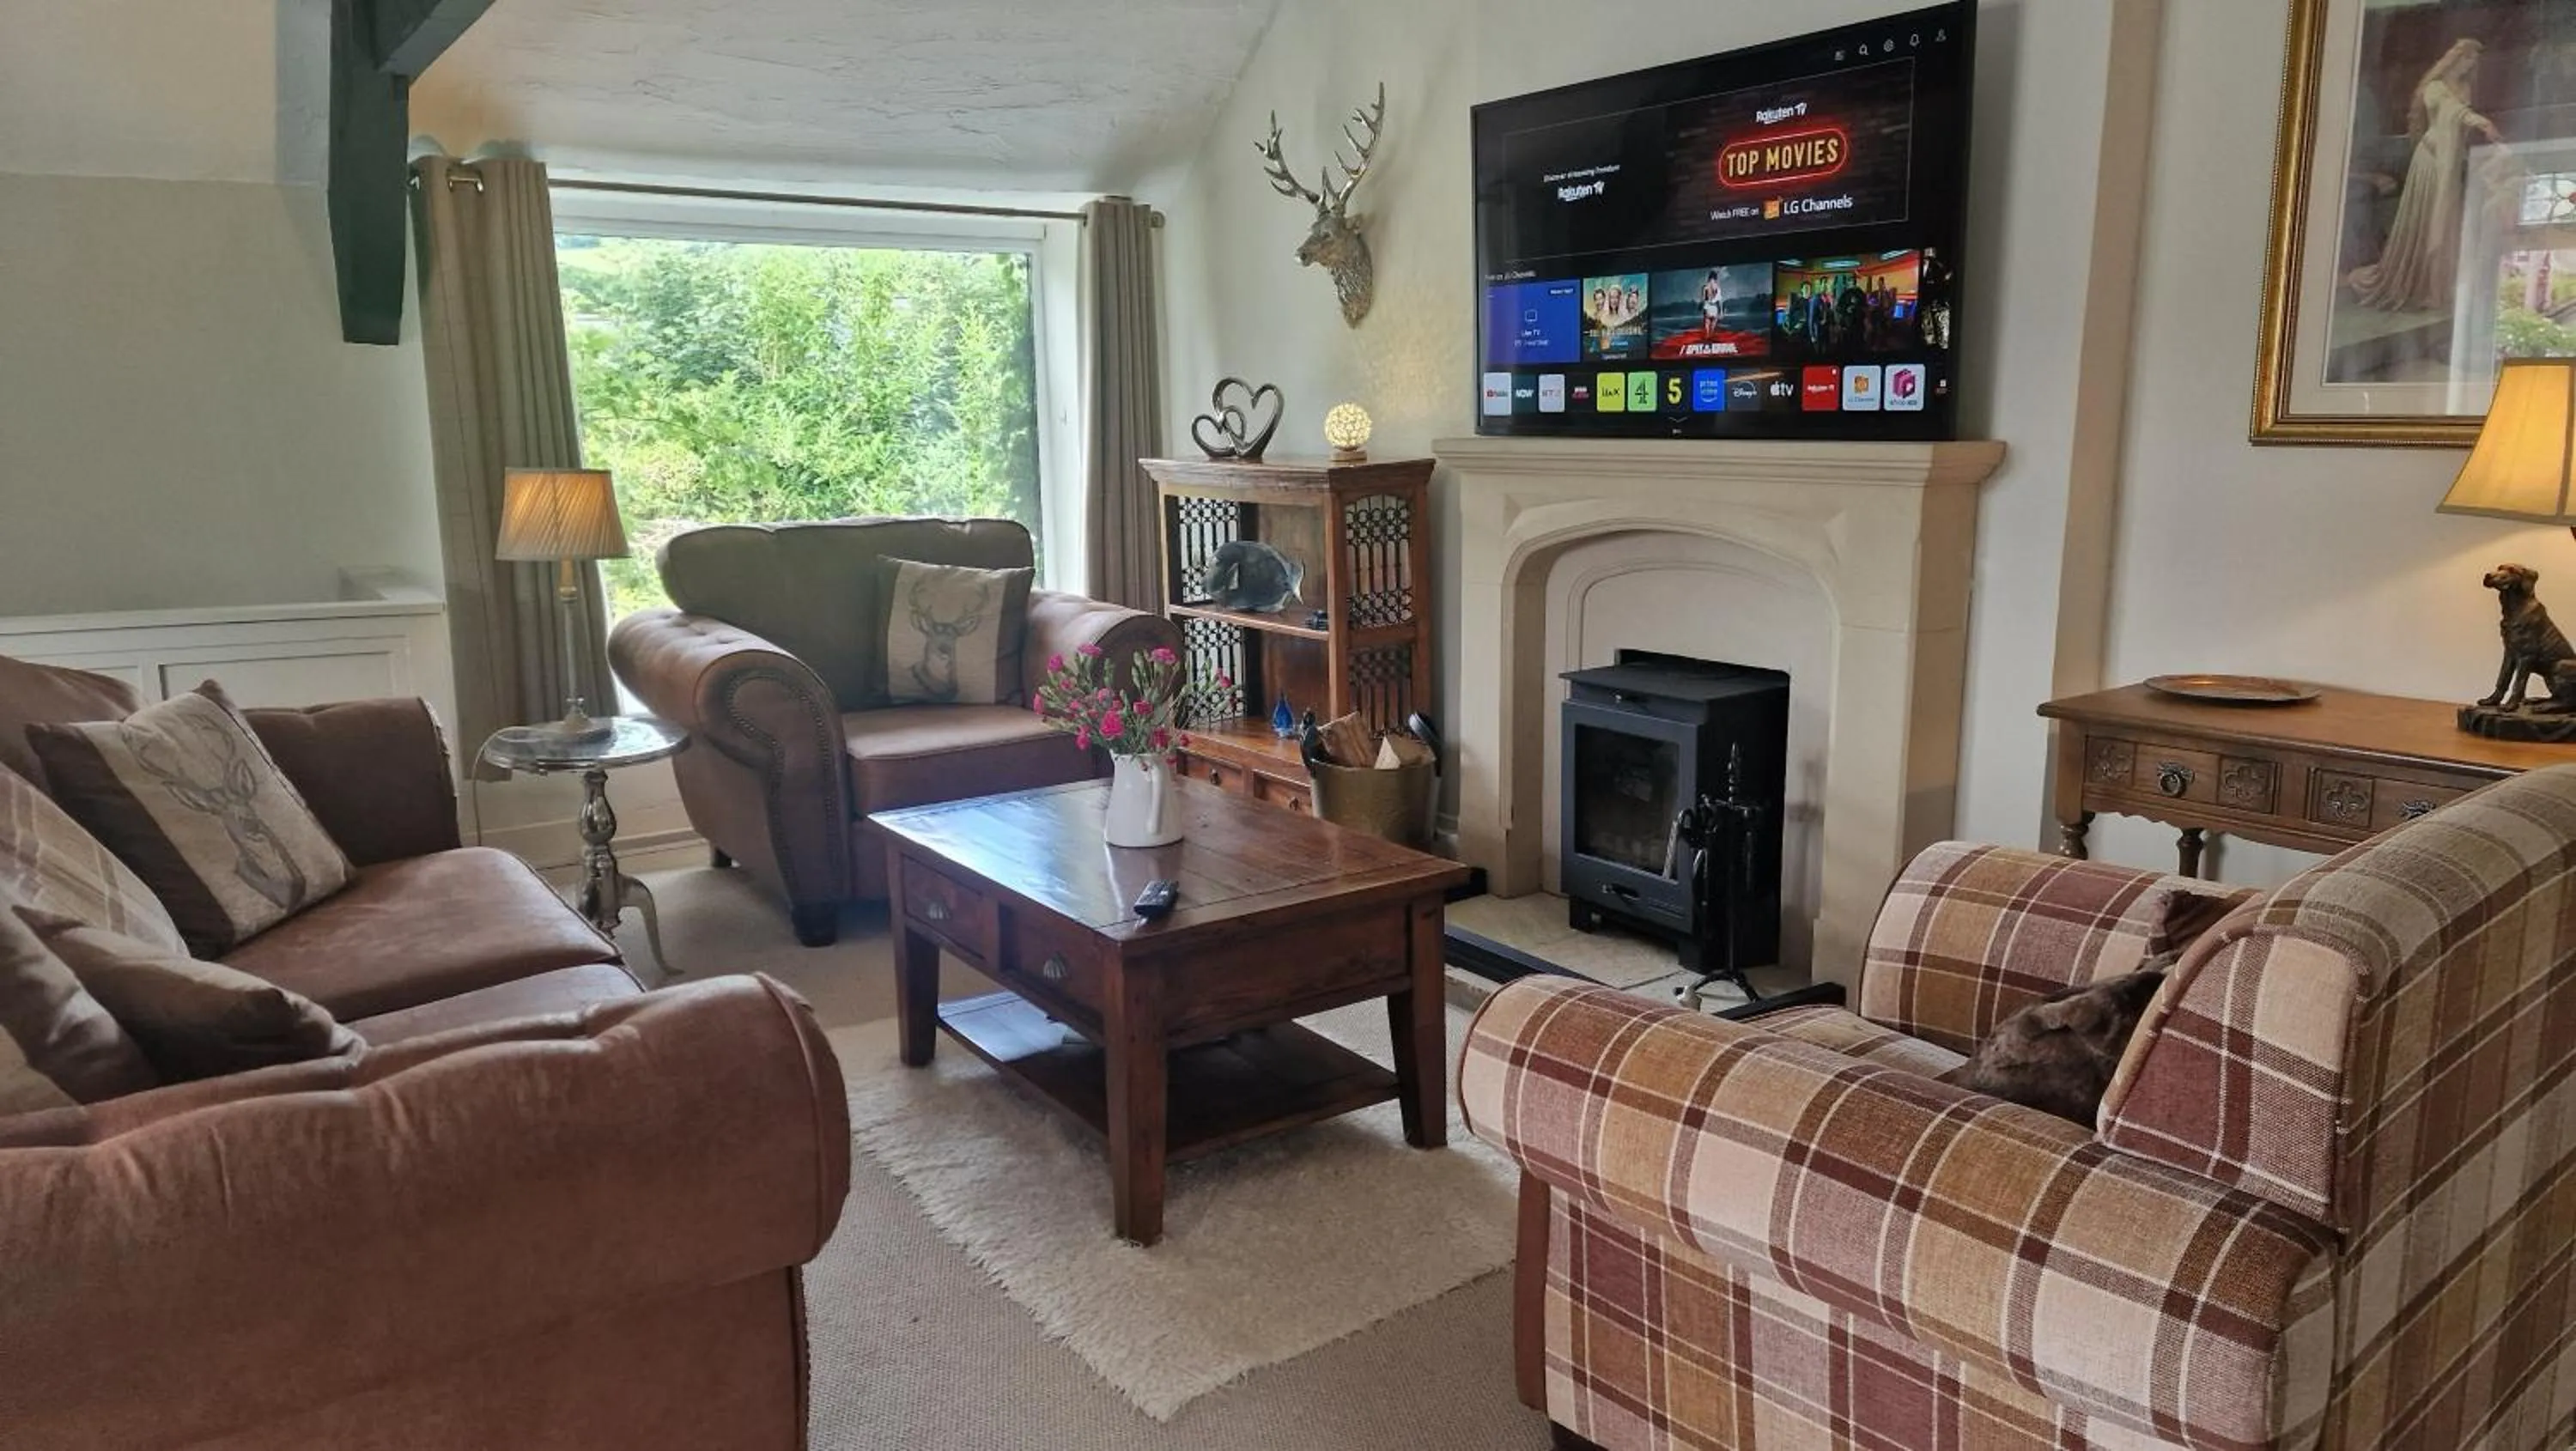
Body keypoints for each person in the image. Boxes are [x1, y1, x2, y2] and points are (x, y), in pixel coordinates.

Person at [2346, 37, 2508, 313]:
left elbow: (2459, 118)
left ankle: (2438, 285)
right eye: (2467, 58)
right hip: (2432, 161)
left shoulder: (2465, 87)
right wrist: (2482, 122)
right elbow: (2452, 112)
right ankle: (2419, 283)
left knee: (2445, 222)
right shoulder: (2435, 88)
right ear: (2455, 58)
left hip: (2450, 161)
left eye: (2474, 61)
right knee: (2428, 220)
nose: (2470, 64)